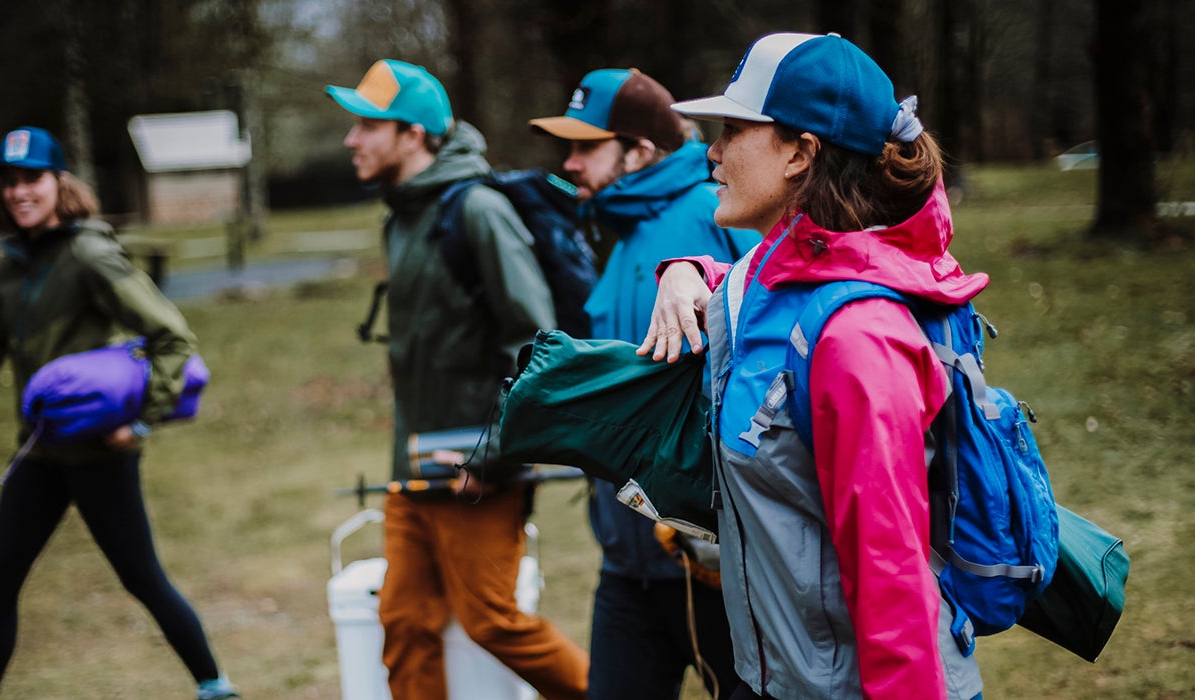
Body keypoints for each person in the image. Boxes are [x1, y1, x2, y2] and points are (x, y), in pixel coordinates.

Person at [637, 33, 987, 699]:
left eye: (733, 130)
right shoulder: (768, 280)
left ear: (800, 153)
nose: (711, 151)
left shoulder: (858, 339)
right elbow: (757, 293)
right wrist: (685, 270)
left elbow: (891, 576)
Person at [0, 127, 239, 700]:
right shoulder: (11, 270)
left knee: (142, 579)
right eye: (10, 182)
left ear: (59, 183)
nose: (19, 192)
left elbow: (172, 337)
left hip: (98, 455)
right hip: (38, 455)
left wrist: (140, 422)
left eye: (32, 179)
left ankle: (216, 689)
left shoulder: (89, 254)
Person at [325, 59, 589, 700]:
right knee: (403, 622)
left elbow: (537, 345)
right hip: (412, 467)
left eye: (367, 125)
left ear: (413, 134)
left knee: (493, 622)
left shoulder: (478, 211)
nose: (350, 140)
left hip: (477, 469)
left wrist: (495, 457)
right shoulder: (401, 216)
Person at [529, 67, 759, 700]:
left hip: (708, 564)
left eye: (586, 146)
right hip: (626, 560)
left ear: (640, 150)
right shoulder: (624, 229)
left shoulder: (714, 213)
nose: (569, 163)